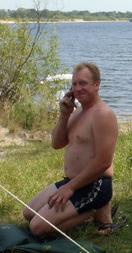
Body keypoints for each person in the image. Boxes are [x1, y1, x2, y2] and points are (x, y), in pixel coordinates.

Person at [23, 62, 119, 237]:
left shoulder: (103, 115)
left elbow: (103, 162)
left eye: (83, 83)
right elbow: (56, 143)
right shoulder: (77, 112)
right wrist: (64, 115)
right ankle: (88, 209)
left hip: (94, 185)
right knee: (28, 213)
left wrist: (69, 189)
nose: (77, 88)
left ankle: (95, 210)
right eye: (74, 84)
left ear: (96, 84)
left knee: (37, 228)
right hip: (73, 182)